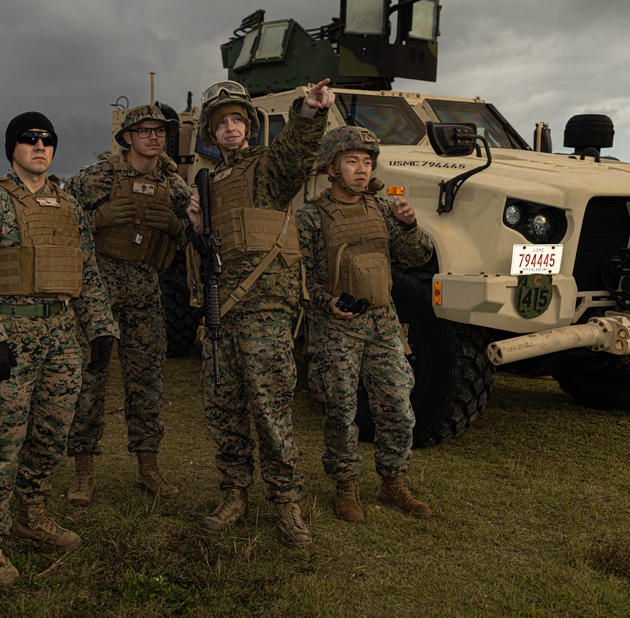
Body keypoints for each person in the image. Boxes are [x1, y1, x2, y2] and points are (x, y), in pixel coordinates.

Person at [0, 112, 117, 587]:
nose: (39, 146)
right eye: (29, 139)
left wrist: (101, 327)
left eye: (47, 140)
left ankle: (32, 512)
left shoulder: (68, 206)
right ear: (12, 148)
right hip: (9, 339)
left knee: (50, 435)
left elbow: (86, 272)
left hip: (62, 339)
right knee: (1, 441)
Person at [186, 78, 334, 548]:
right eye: (221, 122)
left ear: (249, 126)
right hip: (220, 311)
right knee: (224, 411)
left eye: (237, 119)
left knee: (270, 410)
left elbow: (295, 151)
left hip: (264, 310)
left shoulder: (268, 168)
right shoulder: (208, 183)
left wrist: (309, 113)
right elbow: (209, 249)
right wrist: (193, 225)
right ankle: (234, 493)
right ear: (211, 133)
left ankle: (286, 502)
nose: (230, 128)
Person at [296, 125, 435, 522]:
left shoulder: (381, 209)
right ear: (333, 168)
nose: (361, 169)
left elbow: (418, 256)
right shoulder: (310, 216)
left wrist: (409, 225)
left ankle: (393, 484)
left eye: (367, 162)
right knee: (340, 410)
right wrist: (326, 301)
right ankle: (346, 487)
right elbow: (298, 276)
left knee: (397, 405)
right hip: (335, 327)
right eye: (352, 161)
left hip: (382, 324)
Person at [64, 104, 191, 506]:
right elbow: (61, 220)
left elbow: (192, 232)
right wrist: (97, 219)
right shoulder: (96, 177)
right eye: (144, 131)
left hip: (145, 286)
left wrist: (176, 226)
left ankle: (148, 469)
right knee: (90, 376)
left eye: (160, 131)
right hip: (99, 283)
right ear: (127, 138)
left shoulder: (176, 187)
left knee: (147, 380)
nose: (154, 137)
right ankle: (83, 473)